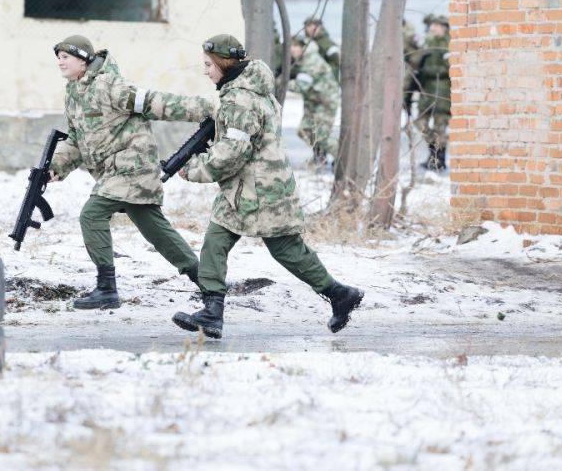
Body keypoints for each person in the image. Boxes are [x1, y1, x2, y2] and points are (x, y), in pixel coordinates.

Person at [153, 34, 364, 338]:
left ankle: (338, 295)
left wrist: (196, 169)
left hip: (255, 191)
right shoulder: (255, 91)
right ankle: (214, 312)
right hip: (263, 186)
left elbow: (232, 153)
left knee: (277, 249)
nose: (205, 70)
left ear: (224, 64)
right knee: (236, 242)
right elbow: (242, 141)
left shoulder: (240, 98)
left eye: (208, 65)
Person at [48, 35, 211, 310]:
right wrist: (55, 167)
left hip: (132, 167)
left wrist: (208, 110)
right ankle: (209, 284)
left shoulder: (109, 86)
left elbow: (156, 103)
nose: (60, 61)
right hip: (114, 172)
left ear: (83, 60)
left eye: (66, 56)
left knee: (92, 213)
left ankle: (106, 288)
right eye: (58, 57)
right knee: (157, 231)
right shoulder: (74, 94)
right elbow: (76, 140)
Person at [288, 36, 339, 164]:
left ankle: (341, 155)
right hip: (314, 102)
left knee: (319, 134)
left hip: (324, 103)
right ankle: (320, 156)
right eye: (290, 47)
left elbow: (302, 86)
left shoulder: (311, 61)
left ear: (303, 47)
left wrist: (281, 84)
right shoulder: (304, 60)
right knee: (305, 131)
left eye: (295, 46)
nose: (292, 50)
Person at [414, 16, 451, 171]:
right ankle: (433, 153)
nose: (432, 28)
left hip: (442, 93)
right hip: (427, 92)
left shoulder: (449, 43)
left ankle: (438, 159)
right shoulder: (428, 42)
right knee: (420, 123)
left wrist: (428, 71)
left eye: (435, 26)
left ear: (443, 27)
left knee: (440, 127)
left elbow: (450, 69)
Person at [303, 17, 341, 81]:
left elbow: (338, 60)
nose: (313, 28)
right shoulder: (303, 43)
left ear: (321, 27)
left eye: (316, 25)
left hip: (326, 80)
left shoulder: (326, 43)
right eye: (309, 26)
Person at [402, 19, 425, 113]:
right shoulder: (407, 31)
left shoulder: (408, 32)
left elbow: (416, 42)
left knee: (406, 87)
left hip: (412, 63)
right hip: (410, 62)